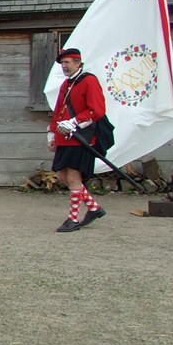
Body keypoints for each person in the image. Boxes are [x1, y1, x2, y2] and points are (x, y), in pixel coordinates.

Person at [48, 47, 108, 232]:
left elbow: (97, 110)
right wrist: (52, 134)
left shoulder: (89, 81)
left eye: (67, 62)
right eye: (62, 63)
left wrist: (74, 122)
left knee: (73, 176)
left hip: (81, 136)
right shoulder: (66, 84)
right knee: (61, 175)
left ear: (77, 63)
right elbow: (58, 111)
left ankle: (72, 219)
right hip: (65, 137)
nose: (64, 66)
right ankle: (94, 208)